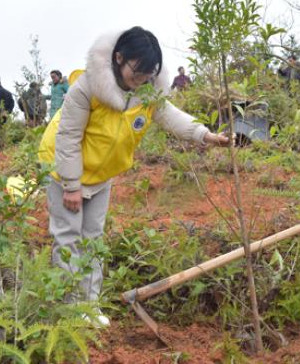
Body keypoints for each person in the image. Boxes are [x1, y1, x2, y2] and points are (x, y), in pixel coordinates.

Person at [38, 26, 230, 326]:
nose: (140, 80)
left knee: (93, 238)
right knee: (68, 239)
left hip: (103, 174)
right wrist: (71, 185)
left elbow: (171, 116)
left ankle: (89, 307)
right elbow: (68, 137)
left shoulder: (146, 91)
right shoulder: (87, 88)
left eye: (148, 74)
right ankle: (68, 312)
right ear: (118, 58)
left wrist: (206, 135)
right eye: (136, 72)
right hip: (66, 170)